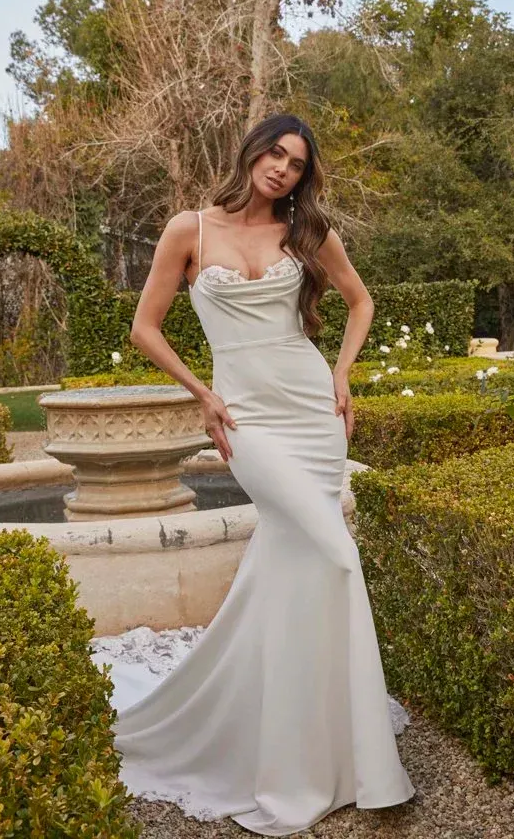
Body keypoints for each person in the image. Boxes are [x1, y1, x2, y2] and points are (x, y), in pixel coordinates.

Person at [111, 112, 416, 835]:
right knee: (339, 557)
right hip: (245, 418)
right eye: (275, 153)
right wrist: (204, 395)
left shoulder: (305, 233)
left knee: (298, 569)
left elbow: (360, 300)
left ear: (304, 177)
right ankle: (343, 754)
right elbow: (144, 327)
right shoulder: (189, 228)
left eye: (297, 163)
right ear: (251, 153)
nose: (282, 168)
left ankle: (311, 737)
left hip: (311, 411)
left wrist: (342, 373)